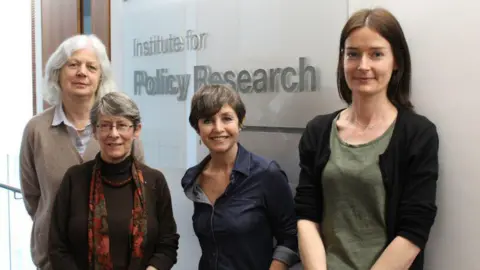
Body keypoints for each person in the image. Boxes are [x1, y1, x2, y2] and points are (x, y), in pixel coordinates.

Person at [294, 7, 439, 270]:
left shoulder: (418, 134)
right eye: (353, 54)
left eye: (376, 54)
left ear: (396, 61)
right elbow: (306, 214)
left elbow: (414, 229)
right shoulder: (317, 131)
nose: (363, 66)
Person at [19, 34, 144, 270]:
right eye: (73, 64)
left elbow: (139, 188)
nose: (81, 72)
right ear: (58, 73)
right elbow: (33, 196)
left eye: (91, 67)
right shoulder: (36, 130)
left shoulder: (122, 129)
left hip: (116, 259)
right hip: (53, 259)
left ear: (100, 78)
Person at [49, 92, 179, 270]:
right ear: (94, 131)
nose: (114, 134)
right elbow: (57, 247)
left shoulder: (154, 181)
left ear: (136, 130)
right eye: (105, 126)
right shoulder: (75, 179)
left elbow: (167, 244)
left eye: (122, 125)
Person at [181, 84, 299, 270]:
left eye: (227, 118)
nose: (218, 128)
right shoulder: (193, 178)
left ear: (240, 122)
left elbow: (291, 236)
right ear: (197, 128)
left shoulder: (266, 174)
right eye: (208, 121)